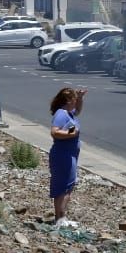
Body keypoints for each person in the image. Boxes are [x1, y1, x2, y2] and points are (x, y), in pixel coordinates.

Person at [49, 87, 86, 228]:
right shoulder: (61, 114)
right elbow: (55, 132)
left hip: (68, 154)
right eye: (75, 99)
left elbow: (78, 111)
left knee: (65, 186)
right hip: (63, 155)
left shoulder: (69, 114)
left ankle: (59, 217)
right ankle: (61, 217)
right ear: (69, 101)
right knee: (65, 187)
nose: (76, 102)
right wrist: (72, 134)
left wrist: (81, 98)